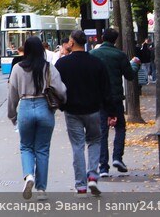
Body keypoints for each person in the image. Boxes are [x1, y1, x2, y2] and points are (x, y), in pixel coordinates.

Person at [7, 36, 67, 199]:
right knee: (42, 149)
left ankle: (29, 176)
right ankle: (41, 189)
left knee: (26, 146)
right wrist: (63, 102)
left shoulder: (18, 68)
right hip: (44, 108)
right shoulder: (48, 68)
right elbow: (61, 90)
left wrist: (12, 115)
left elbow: (12, 94)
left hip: (25, 107)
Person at [55, 30, 112, 195]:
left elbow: (56, 87)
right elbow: (105, 89)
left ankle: (80, 185)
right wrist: (110, 110)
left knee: (77, 146)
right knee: (95, 141)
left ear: (71, 42)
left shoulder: (62, 64)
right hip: (93, 109)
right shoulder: (96, 62)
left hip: (72, 110)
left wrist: (61, 105)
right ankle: (93, 176)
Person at [91, 28, 139, 178]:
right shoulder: (120, 55)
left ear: (102, 37)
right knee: (120, 127)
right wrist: (135, 65)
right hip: (115, 98)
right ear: (115, 40)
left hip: (98, 99)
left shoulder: (93, 54)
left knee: (102, 132)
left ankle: (103, 166)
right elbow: (129, 76)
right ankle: (117, 157)